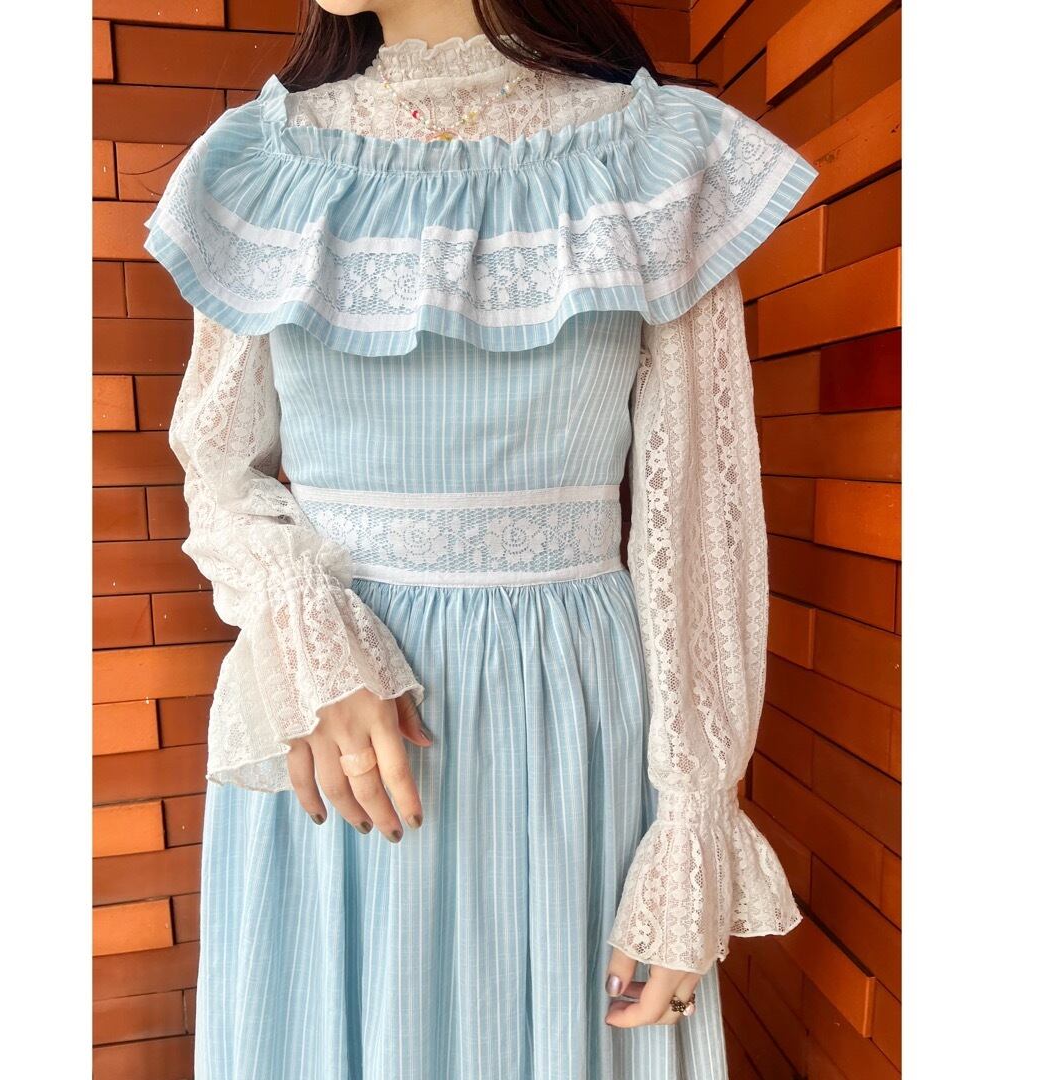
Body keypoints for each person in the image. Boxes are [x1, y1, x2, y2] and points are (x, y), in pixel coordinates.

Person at [143, 1, 818, 1077]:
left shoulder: (653, 160)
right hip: (330, 723)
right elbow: (215, 468)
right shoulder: (261, 166)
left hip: (567, 719)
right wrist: (309, 639)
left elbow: (702, 522)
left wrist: (693, 823)